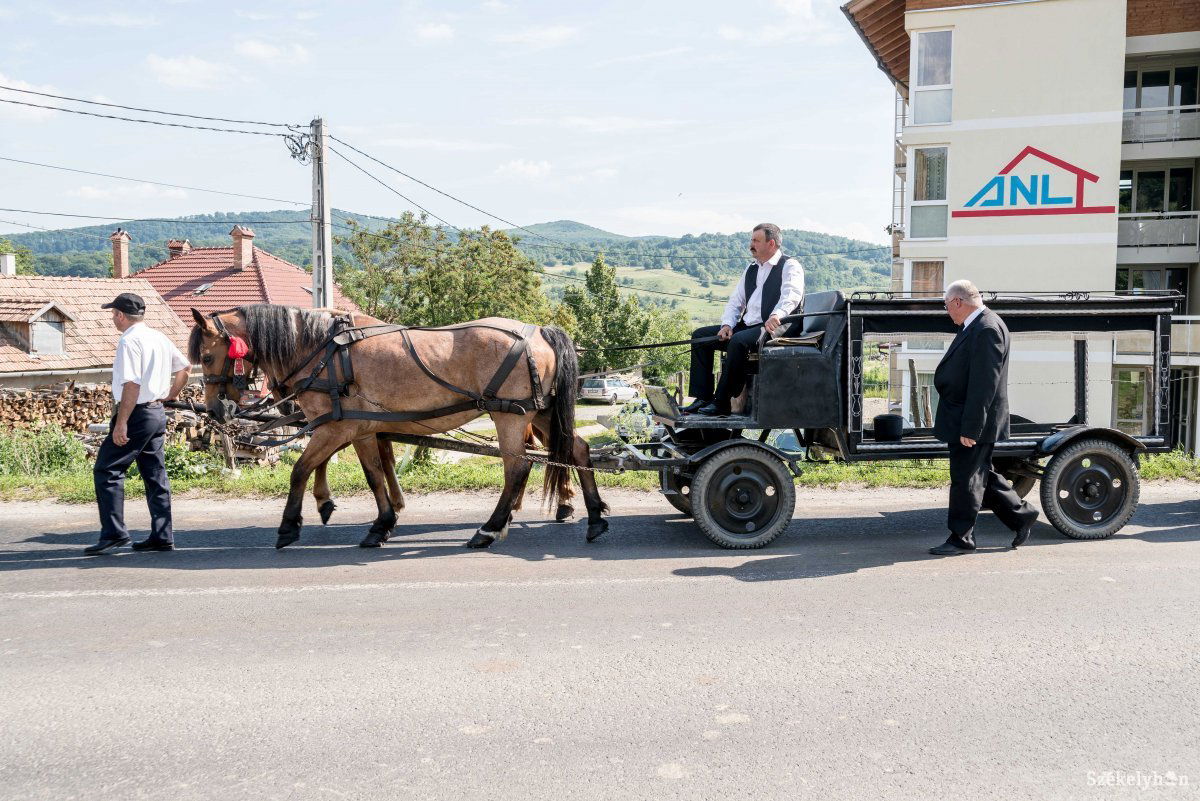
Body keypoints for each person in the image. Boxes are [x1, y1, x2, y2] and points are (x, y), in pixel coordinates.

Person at [928, 280, 1038, 556]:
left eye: (946, 306)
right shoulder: (976, 325)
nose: (946, 311)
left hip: (973, 421)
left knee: (965, 480)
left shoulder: (987, 328)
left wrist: (972, 428)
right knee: (978, 475)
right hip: (964, 417)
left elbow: (984, 384)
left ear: (957, 302)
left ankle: (961, 538)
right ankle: (1021, 516)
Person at [85, 293, 191, 555]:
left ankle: (114, 533)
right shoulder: (158, 337)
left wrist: (122, 422)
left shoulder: (129, 341)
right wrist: (171, 395)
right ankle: (162, 536)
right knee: (155, 474)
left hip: (137, 414)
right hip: (156, 412)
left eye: (113, 314)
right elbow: (185, 367)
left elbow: (132, 384)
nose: (113, 318)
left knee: (107, 470)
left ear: (121, 315)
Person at [683, 223, 805, 416]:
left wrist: (777, 314)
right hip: (749, 326)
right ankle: (702, 397)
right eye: (751, 240)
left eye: (756, 240)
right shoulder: (751, 268)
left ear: (771, 243)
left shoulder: (790, 265)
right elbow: (736, 301)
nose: (751, 245)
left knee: (738, 342)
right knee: (701, 337)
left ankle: (722, 402)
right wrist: (727, 324)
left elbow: (791, 295)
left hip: (778, 325)